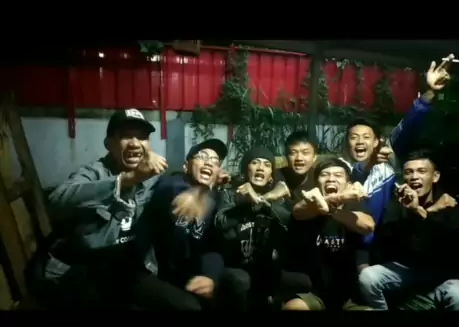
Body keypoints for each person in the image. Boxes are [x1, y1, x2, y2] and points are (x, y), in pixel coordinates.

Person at [27, 108, 168, 308]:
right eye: (126, 136)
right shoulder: (95, 172)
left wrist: (195, 193)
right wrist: (127, 180)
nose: (135, 143)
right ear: (108, 144)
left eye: (142, 137)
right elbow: (57, 199)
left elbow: (175, 190)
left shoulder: (152, 178)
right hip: (86, 271)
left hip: (130, 269)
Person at [345, 55, 458, 246]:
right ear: (346, 141)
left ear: (377, 142)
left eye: (366, 137)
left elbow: (409, 124)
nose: (360, 142)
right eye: (354, 137)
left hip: (385, 244)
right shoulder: (339, 169)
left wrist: (430, 92)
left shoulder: (388, 160)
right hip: (349, 245)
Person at [358, 150, 459, 311]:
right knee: (368, 277)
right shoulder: (396, 205)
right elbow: (385, 243)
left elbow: (454, 246)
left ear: (435, 176)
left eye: (421, 171)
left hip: (442, 274)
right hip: (405, 270)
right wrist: (416, 211)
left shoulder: (449, 205)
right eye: (409, 172)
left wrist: (425, 214)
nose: (414, 177)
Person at [133, 139, 229, 312]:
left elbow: (213, 245)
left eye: (215, 161)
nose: (209, 162)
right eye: (202, 156)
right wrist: (195, 193)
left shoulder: (214, 200)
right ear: (186, 166)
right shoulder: (170, 184)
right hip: (152, 272)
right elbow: (169, 190)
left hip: (187, 276)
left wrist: (210, 276)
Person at [214, 145, 310, 310]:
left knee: (304, 282)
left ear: (271, 175)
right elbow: (220, 222)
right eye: (255, 163)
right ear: (246, 170)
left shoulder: (278, 196)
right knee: (242, 280)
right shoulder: (230, 194)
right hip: (235, 267)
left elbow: (289, 222)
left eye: (267, 165)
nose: (260, 168)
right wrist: (244, 203)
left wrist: (265, 199)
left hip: (267, 268)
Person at [282, 158, 375, 311]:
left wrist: (332, 210)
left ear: (347, 183)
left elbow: (368, 225)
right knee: (294, 308)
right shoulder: (306, 200)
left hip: (349, 296)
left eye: (338, 175)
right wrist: (336, 198)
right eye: (324, 175)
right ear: (316, 183)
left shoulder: (354, 204)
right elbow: (298, 212)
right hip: (313, 293)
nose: (331, 179)